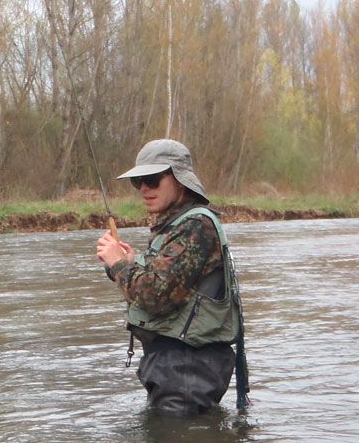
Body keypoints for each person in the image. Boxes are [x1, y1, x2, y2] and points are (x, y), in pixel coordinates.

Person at [96, 139, 249, 414]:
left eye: (152, 179)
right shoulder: (179, 225)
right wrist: (130, 263)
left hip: (188, 369)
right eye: (139, 181)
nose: (144, 188)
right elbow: (169, 281)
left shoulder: (194, 226)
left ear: (179, 180)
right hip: (177, 368)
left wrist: (118, 264)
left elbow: (156, 296)